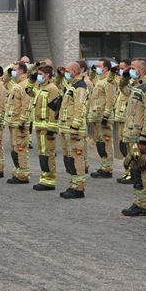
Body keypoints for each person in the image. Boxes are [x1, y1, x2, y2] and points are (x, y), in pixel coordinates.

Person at [119, 59, 146, 215]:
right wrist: (125, 76)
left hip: (139, 138)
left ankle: (144, 205)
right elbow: (122, 87)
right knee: (134, 170)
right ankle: (138, 202)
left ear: (142, 70)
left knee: (142, 169)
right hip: (131, 136)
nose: (130, 70)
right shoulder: (135, 87)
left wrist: (144, 139)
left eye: (133, 68)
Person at [58, 62, 89, 199]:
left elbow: (80, 107)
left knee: (77, 159)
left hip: (75, 130)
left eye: (68, 70)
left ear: (75, 72)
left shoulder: (80, 86)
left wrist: (75, 126)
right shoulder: (71, 85)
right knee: (69, 159)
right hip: (66, 129)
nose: (66, 72)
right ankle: (73, 184)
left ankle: (78, 188)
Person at [28, 65, 62, 190]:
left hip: (47, 127)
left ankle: (49, 180)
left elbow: (54, 110)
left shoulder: (52, 89)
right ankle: (44, 178)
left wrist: (51, 129)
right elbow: (29, 91)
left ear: (47, 75)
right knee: (42, 153)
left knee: (48, 153)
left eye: (40, 74)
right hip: (39, 126)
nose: (38, 76)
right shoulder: (40, 87)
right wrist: (31, 81)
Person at [89, 59, 116, 179]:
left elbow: (111, 99)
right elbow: (90, 78)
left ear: (106, 68)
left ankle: (108, 168)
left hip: (104, 117)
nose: (97, 68)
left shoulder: (108, 81)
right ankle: (103, 165)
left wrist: (106, 115)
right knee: (100, 143)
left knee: (106, 142)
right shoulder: (99, 80)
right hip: (96, 116)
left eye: (100, 66)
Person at [5, 62, 32, 183]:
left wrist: (22, 121)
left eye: (15, 70)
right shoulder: (17, 84)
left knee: (21, 149)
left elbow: (26, 105)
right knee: (14, 148)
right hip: (13, 122)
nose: (13, 72)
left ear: (21, 71)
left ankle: (23, 175)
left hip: (20, 123)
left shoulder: (25, 85)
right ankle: (18, 172)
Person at [113, 59, 131, 183]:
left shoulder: (131, 83)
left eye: (123, 68)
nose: (120, 70)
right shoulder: (121, 81)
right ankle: (127, 171)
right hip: (120, 118)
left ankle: (131, 172)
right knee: (122, 146)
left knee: (129, 148)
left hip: (127, 119)